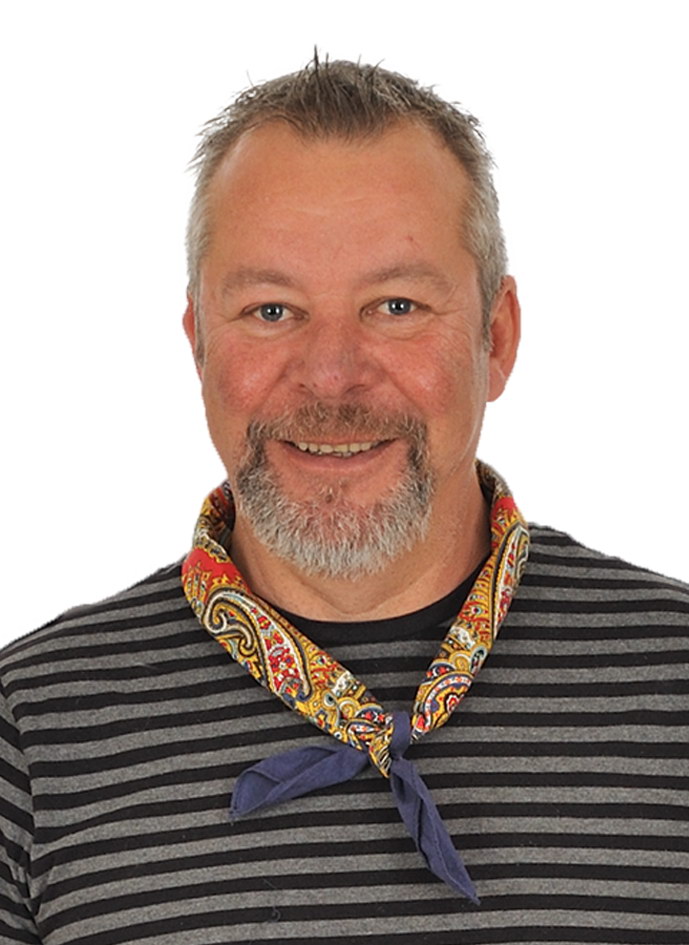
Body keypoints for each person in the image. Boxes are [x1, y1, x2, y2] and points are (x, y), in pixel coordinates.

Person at [1, 57, 687, 945]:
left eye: (395, 305)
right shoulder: (30, 731)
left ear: (497, 337)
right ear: (199, 343)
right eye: (271, 310)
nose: (330, 377)